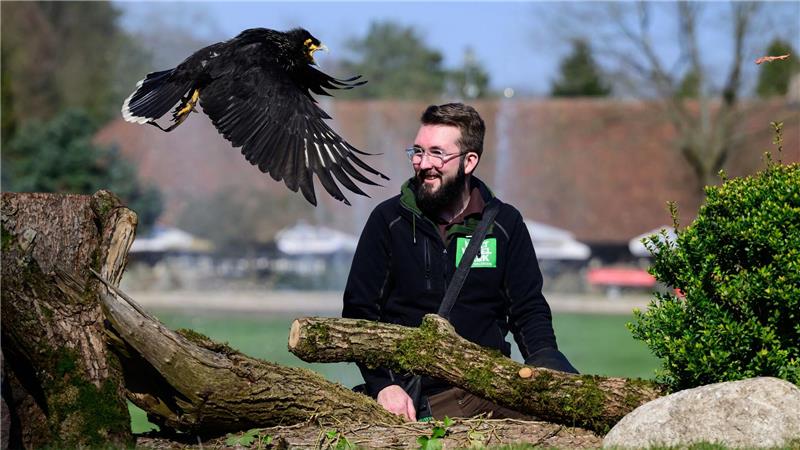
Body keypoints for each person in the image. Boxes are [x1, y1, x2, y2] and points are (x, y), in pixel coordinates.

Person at [342, 103, 577, 422]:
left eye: (437, 153)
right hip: (416, 397)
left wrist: (548, 369)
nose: (422, 163)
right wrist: (384, 386)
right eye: (417, 151)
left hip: (488, 389)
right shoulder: (388, 220)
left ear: (469, 162)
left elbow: (528, 310)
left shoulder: (505, 223)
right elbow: (360, 313)